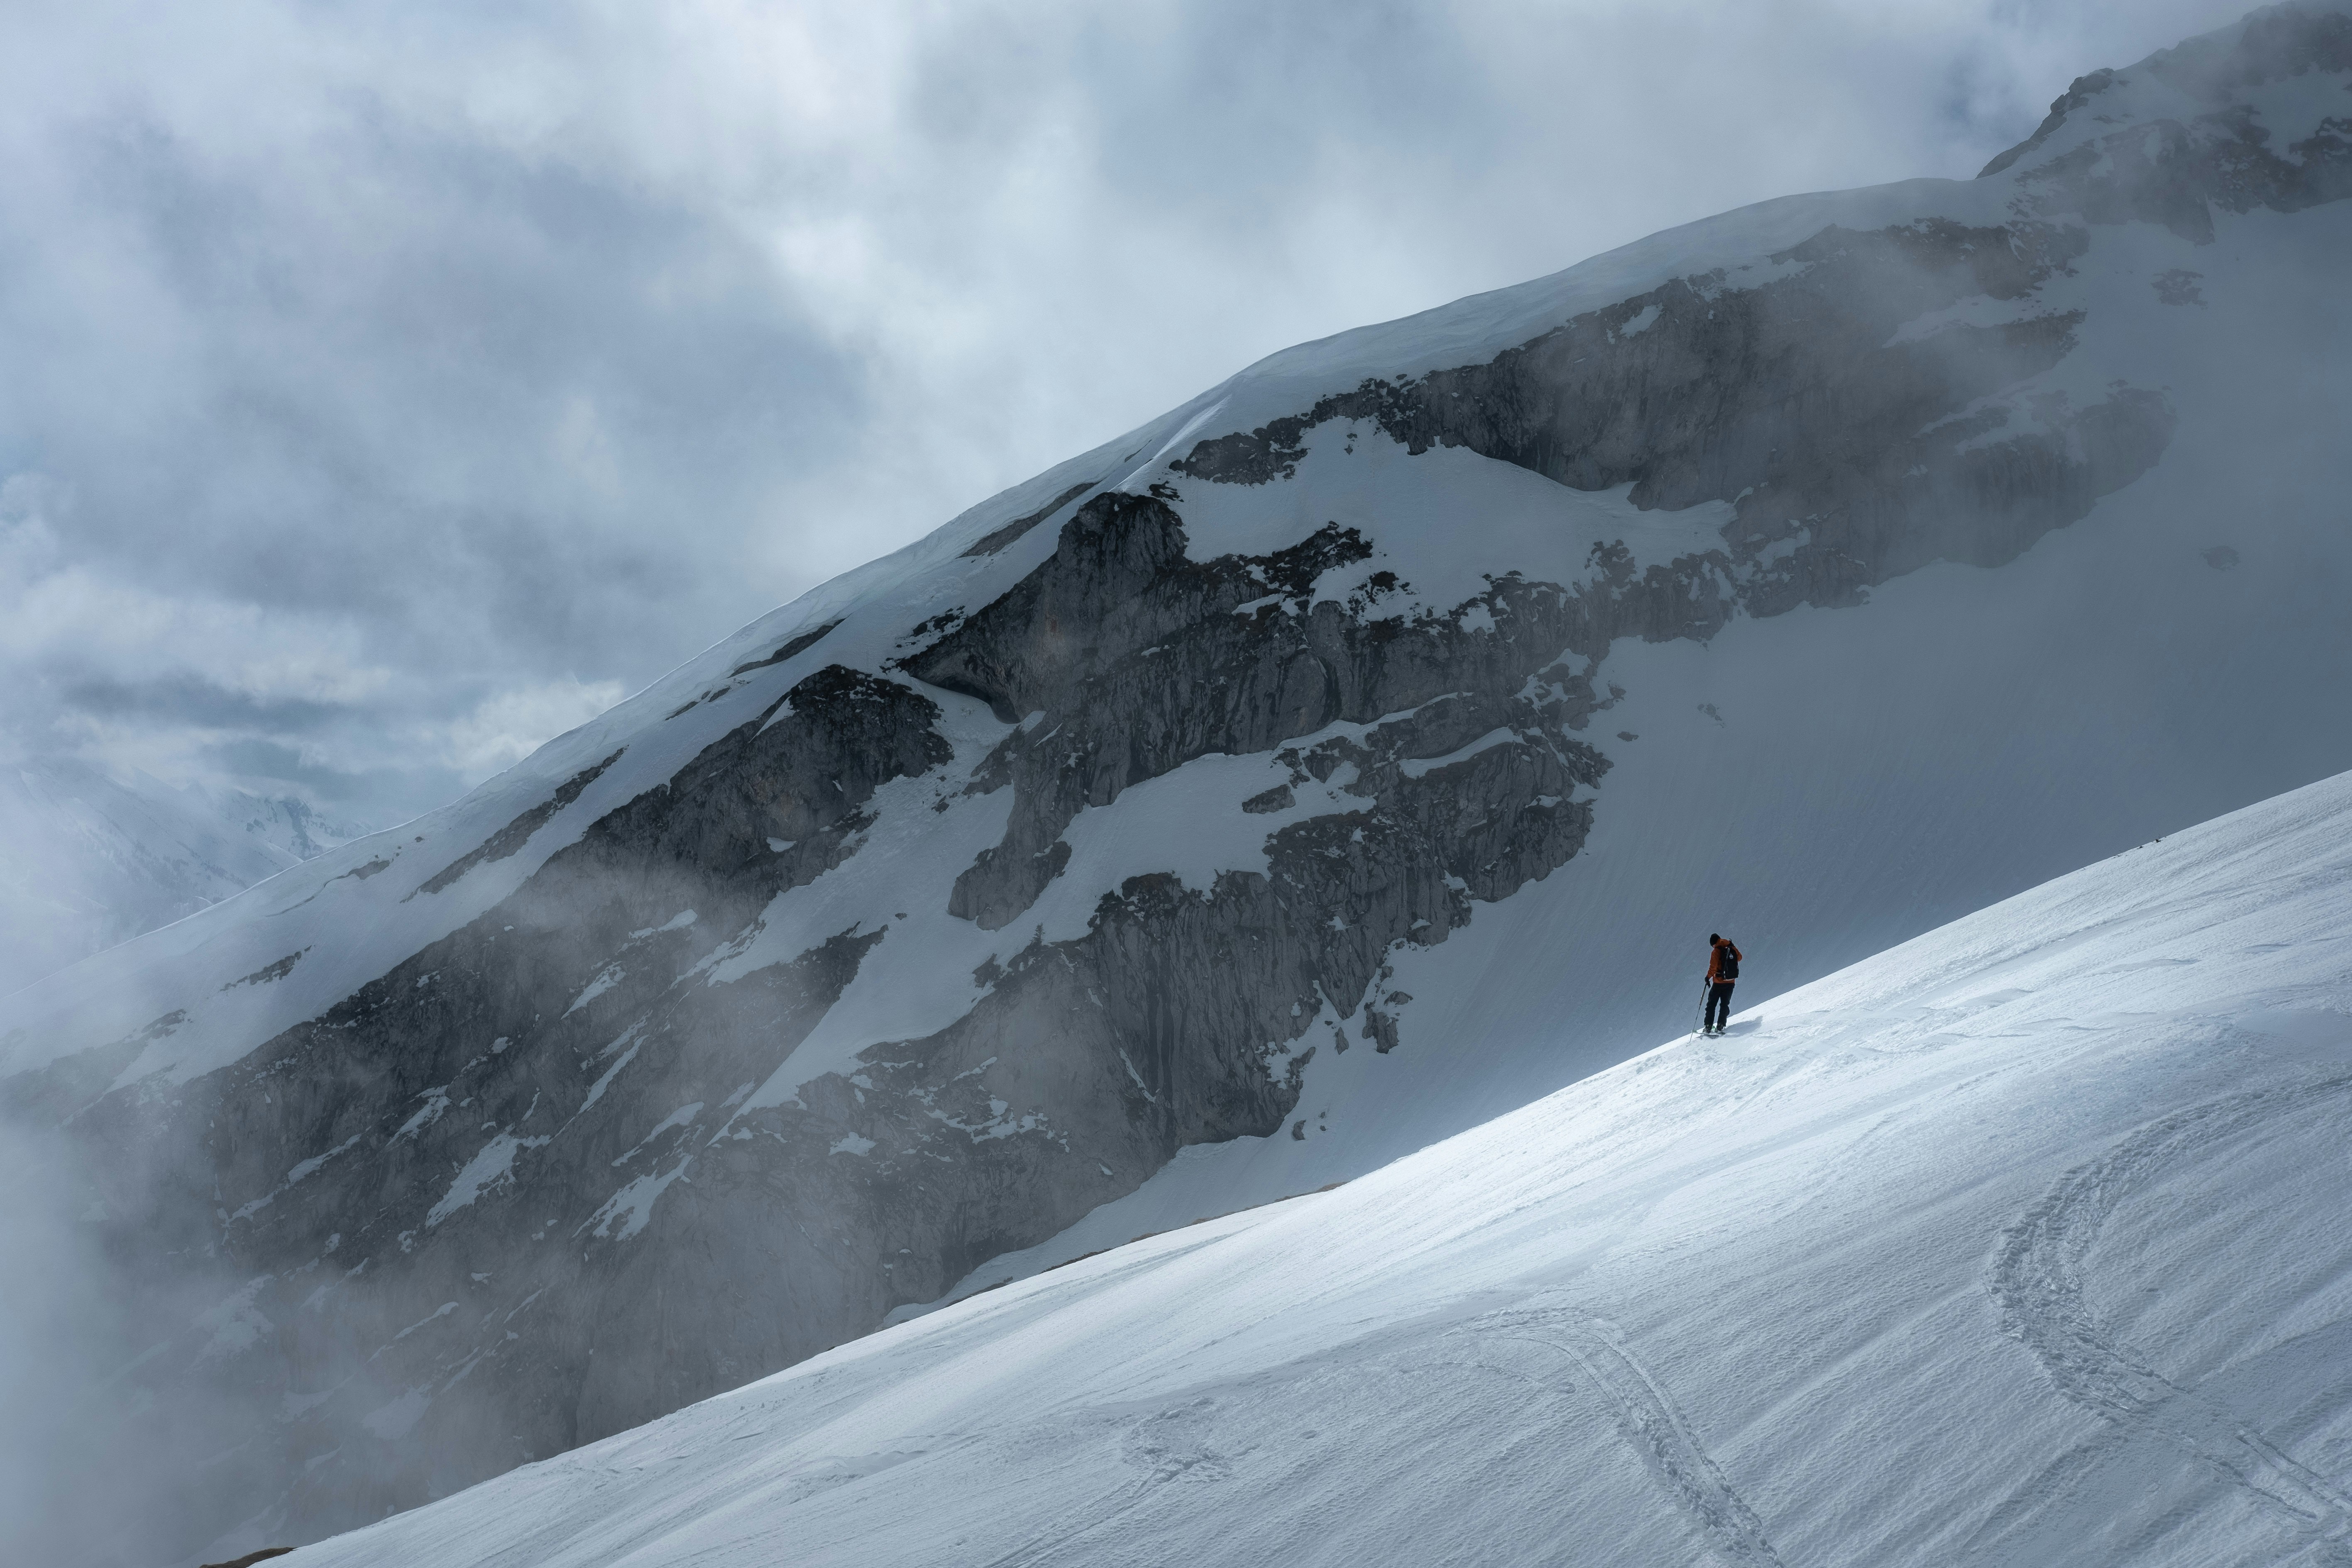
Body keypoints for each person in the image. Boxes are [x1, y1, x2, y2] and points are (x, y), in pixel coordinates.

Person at [1702, 933, 1741, 1035]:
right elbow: (1740, 958)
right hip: (1731, 982)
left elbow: (1713, 967)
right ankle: (1720, 1025)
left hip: (1719, 982)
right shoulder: (1731, 947)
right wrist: (1733, 947)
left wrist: (1708, 978)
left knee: (1711, 1004)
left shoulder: (1716, 951)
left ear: (1714, 943)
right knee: (1725, 1004)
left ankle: (1708, 1026)